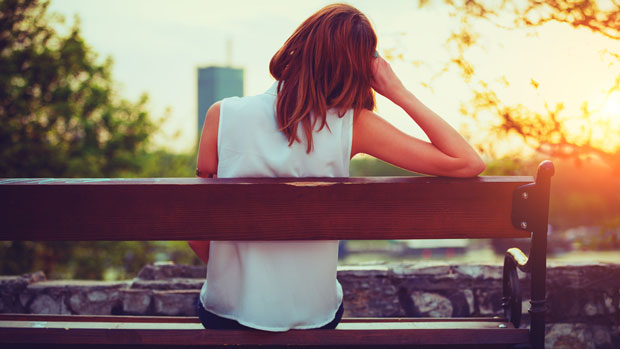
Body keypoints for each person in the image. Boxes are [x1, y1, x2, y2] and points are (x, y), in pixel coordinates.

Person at [189, 3, 485, 332]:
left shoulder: (222, 115)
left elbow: (197, 233)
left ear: (296, 46)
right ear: (361, 69)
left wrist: (247, 282)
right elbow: (468, 162)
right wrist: (397, 91)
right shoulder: (353, 125)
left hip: (227, 313)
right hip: (315, 316)